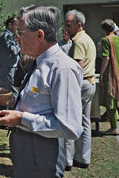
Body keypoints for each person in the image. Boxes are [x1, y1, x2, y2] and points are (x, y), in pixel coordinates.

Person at [0, 5, 83, 178]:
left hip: (43, 152)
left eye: (21, 33)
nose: (16, 37)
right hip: (27, 151)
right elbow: (40, 102)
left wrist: (21, 118)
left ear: (39, 35)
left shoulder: (62, 68)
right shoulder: (39, 62)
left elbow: (70, 128)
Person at [64, 9, 96, 170]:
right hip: (89, 83)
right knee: (84, 122)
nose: (66, 28)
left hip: (81, 85)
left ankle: (67, 161)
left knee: (70, 121)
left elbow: (77, 68)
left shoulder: (78, 41)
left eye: (68, 25)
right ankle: (83, 158)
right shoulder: (87, 38)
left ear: (79, 24)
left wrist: (69, 89)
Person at [0, 16, 20, 109]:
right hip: (9, 69)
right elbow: (14, 51)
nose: (17, 27)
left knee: (4, 93)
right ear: (10, 25)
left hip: (4, 69)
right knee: (14, 93)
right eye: (16, 25)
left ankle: (4, 116)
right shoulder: (7, 35)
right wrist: (19, 43)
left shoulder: (2, 35)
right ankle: (13, 115)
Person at [99, 19, 119, 135]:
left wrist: (101, 74)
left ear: (105, 29)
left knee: (111, 100)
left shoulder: (106, 40)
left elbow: (106, 58)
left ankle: (114, 127)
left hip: (111, 73)